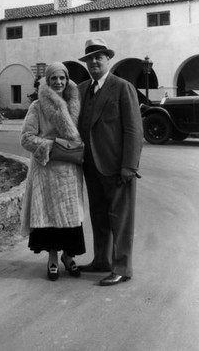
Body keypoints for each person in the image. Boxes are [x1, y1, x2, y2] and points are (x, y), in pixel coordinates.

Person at [77, 38, 143, 286]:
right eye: (90, 58)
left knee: (121, 219)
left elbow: (134, 130)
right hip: (90, 166)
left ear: (107, 59)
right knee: (99, 215)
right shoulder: (82, 89)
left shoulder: (122, 87)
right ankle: (102, 260)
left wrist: (130, 165)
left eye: (99, 57)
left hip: (117, 167)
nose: (94, 61)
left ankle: (122, 267)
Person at [20, 62, 85, 281]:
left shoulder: (74, 103)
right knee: (50, 217)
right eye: (54, 78)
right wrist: (50, 145)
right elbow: (26, 138)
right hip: (47, 168)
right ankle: (53, 258)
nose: (58, 82)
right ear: (47, 81)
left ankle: (69, 256)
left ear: (67, 80)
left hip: (70, 169)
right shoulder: (38, 106)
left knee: (70, 215)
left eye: (62, 78)